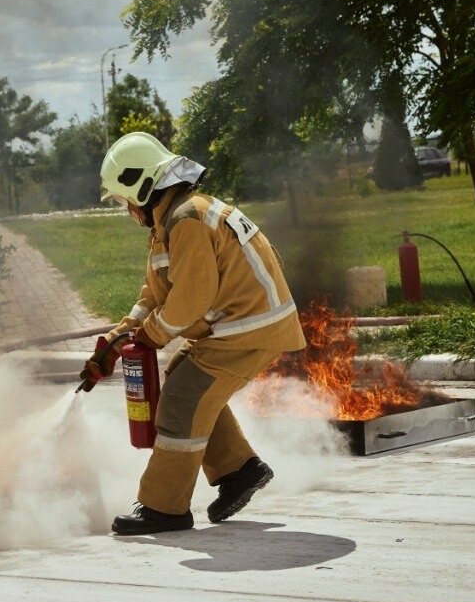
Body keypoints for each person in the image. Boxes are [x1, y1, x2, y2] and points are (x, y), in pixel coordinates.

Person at [79, 132, 307, 535]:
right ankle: (239, 470)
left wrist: (149, 337)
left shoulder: (187, 220)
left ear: (144, 185)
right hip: (243, 324)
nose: (127, 210)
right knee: (186, 377)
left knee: (183, 400)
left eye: (124, 200)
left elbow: (189, 302)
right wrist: (116, 342)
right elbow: (155, 294)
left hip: (249, 327)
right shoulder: (174, 219)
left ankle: (164, 508)